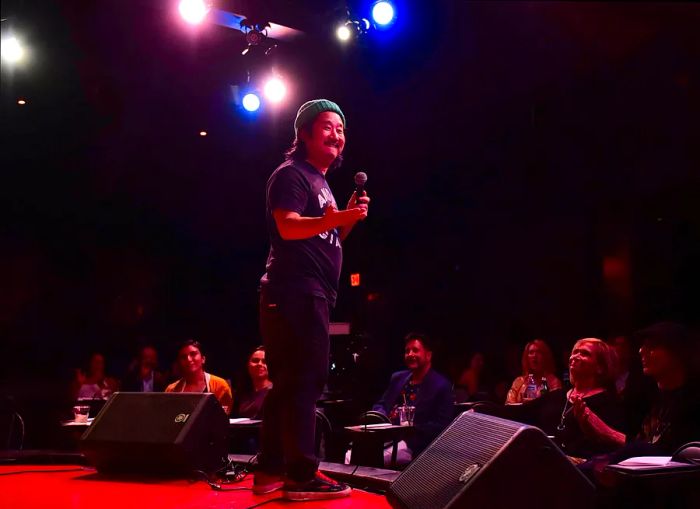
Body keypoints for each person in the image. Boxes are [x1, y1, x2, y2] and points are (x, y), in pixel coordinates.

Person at [255, 99, 369, 501]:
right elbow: (288, 228)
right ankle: (301, 473)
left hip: (303, 291)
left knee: (289, 383)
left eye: (341, 128)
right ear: (303, 133)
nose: (336, 134)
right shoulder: (291, 175)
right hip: (295, 290)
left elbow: (325, 238)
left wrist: (346, 221)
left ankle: (269, 470)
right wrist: (339, 217)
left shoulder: (321, 183)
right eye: (326, 126)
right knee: (305, 381)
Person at [505, 338, 624, 461]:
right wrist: (486, 410)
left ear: (600, 368)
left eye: (584, 353)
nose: (575, 357)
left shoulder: (610, 402)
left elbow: (613, 450)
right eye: (575, 352)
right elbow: (519, 413)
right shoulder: (556, 395)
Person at [369, 333, 454, 464]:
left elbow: (442, 425)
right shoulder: (398, 378)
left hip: (413, 444)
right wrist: (382, 419)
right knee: (351, 454)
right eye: (407, 351)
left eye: (415, 350)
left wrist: (412, 429)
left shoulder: (441, 385)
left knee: (372, 458)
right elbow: (381, 404)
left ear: (428, 355)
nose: (410, 354)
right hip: (386, 437)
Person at [165, 340, 233, 414]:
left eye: (193, 354)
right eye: (183, 357)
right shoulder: (171, 390)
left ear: (203, 359)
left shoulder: (220, 385)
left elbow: (223, 418)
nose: (188, 359)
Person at [506, 339, 562, 404]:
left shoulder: (554, 382)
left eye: (539, 352)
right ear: (527, 358)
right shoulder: (519, 382)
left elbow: (555, 407)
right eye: (531, 352)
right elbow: (509, 405)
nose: (534, 356)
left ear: (545, 357)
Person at [232, 346, 272, 419]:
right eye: (255, 360)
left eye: (264, 361)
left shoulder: (276, 392)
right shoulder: (241, 392)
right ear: (248, 364)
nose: (259, 364)